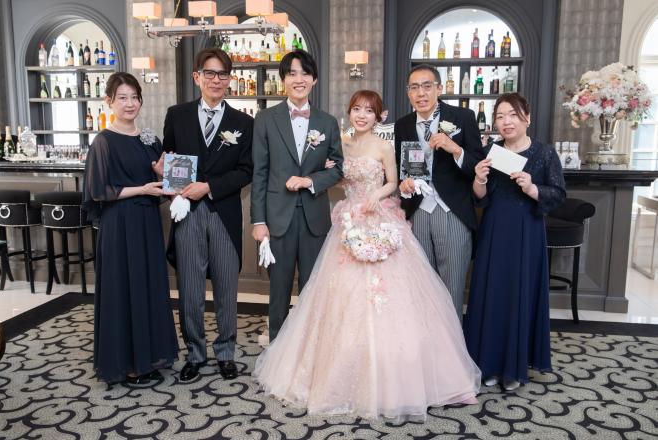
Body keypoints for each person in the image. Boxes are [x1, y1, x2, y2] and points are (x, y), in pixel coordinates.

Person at [253, 90, 481, 421]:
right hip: (349, 219)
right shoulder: (340, 143)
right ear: (349, 113)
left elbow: (393, 181)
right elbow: (336, 179)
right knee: (339, 297)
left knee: (394, 297)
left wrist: (377, 194)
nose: (362, 115)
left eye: (369, 111)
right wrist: (331, 176)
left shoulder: (384, 146)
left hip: (379, 215)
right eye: (357, 109)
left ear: (378, 117)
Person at [464, 93, 566, 391]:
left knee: (518, 294)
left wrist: (533, 188)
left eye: (512, 115)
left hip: (527, 230)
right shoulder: (491, 150)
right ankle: (488, 364)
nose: (506, 122)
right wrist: (479, 179)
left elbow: (558, 194)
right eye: (500, 116)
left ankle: (513, 368)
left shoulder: (544, 153)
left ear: (527, 118)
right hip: (494, 229)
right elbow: (480, 199)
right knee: (491, 294)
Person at [163, 48, 254, 382]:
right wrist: (172, 184)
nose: (216, 80)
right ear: (197, 76)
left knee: (227, 288)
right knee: (189, 289)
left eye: (222, 74)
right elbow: (169, 157)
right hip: (187, 213)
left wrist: (209, 187)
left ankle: (226, 352)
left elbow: (247, 170)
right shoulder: (177, 115)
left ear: (230, 79)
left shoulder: (244, 123)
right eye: (210, 73)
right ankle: (195, 353)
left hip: (224, 213)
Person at [83, 72, 178, 385]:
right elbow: (99, 190)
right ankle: (127, 363)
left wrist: (163, 175)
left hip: (147, 223)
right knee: (123, 289)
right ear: (109, 101)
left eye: (134, 97)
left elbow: (166, 186)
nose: (129, 103)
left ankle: (148, 356)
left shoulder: (149, 139)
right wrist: (142, 189)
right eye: (122, 98)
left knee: (147, 286)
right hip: (119, 225)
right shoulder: (103, 141)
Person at [250, 50, 343, 341]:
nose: (298, 79)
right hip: (278, 219)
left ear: (314, 80)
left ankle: (309, 346)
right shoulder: (265, 119)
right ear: (283, 80)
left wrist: (310, 180)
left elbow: (338, 168)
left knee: (312, 288)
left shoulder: (327, 122)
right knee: (278, 290)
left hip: (315, 217)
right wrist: (258, 221)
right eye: (292, 73)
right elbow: (259, 173)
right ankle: (277, 348)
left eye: (305, 73)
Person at [394, 64, 484, 319]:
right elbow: (403, 168)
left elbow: (478, 165)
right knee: (420, 286)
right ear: (408, 93)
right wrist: (404, 183)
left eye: (427, 86)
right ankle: (424, 340)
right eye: (414, 88)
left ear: (439, 88)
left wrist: (455, 149)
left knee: (451, 287)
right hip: (418, 212)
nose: (420, 93)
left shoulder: (463, 117)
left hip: (452, 211)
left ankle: (452, 342)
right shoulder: (403, 125)